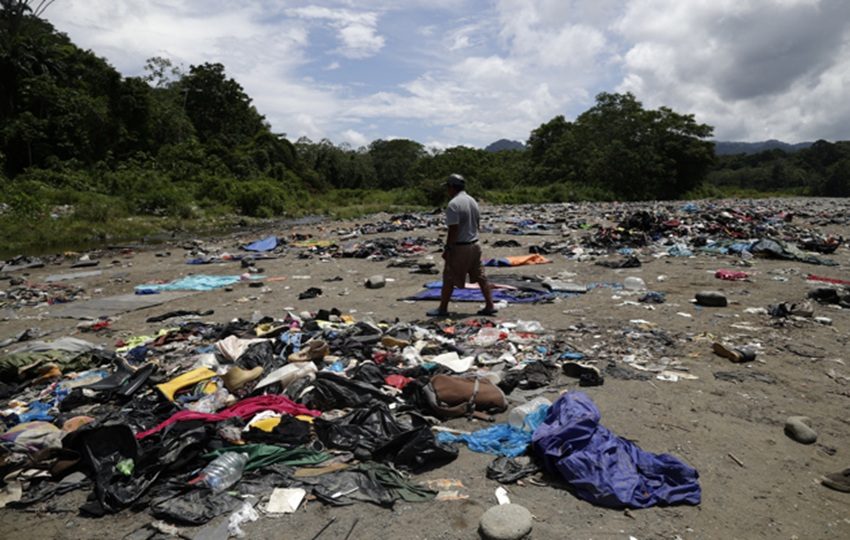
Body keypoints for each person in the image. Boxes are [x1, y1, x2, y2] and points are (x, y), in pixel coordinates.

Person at [427, 173, 497, 317]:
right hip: (475, 244)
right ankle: (490, 305)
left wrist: (448, 248)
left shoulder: (453, 204)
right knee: (480, 276)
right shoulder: (472, 201)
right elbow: (478, 224)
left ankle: (442, 309)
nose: (447, 190)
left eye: (448, 187)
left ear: (452, 187)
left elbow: (453, 229)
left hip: (461, 246)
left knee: (449, 277)